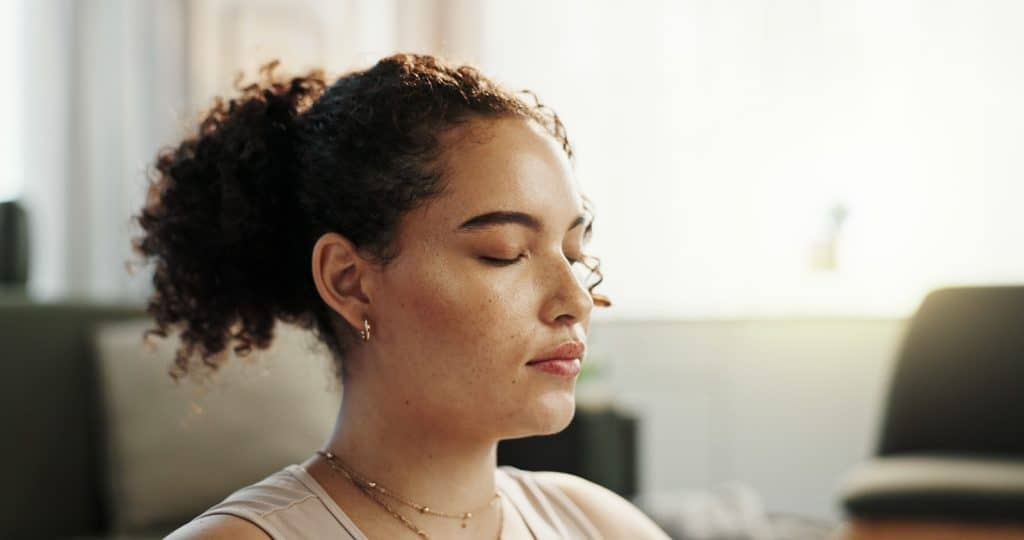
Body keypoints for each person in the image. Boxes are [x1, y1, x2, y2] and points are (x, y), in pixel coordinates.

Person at [138, 53, 669, 539]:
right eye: (504, 252)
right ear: (350, 282)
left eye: (574, 255)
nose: (574, 299)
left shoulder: (599, 523)